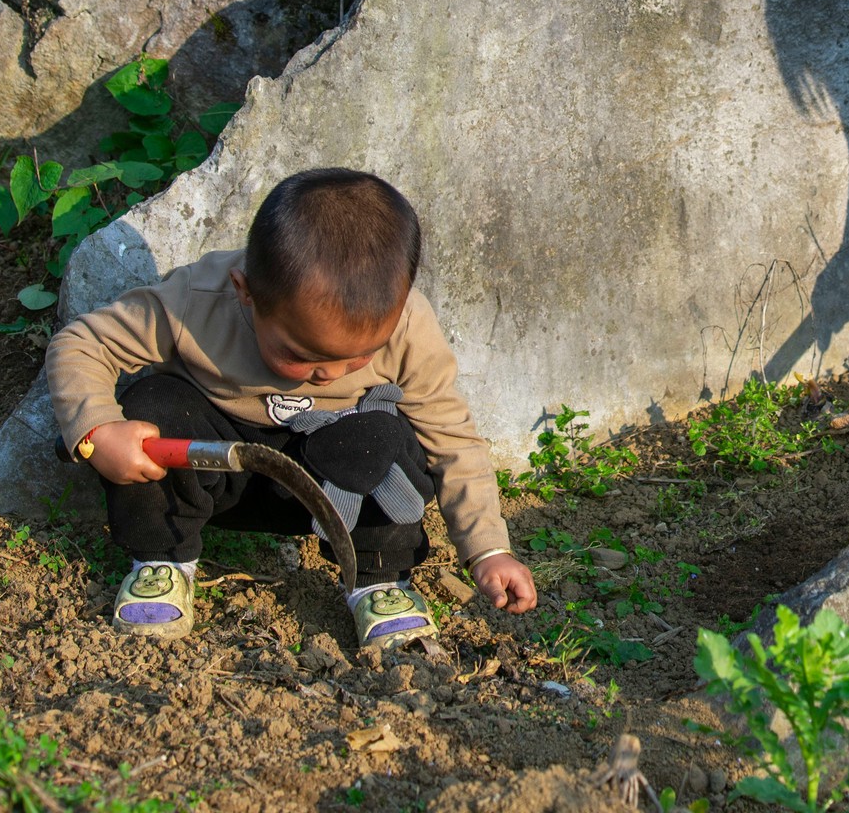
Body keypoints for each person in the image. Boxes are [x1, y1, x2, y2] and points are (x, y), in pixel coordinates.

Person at [47, 167, 537, 646]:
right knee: (153, 404)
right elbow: (82, 344)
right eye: (300, 355)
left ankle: (379, 579)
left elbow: (451, 437)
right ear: (247, 293)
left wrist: (488, 549)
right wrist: (96, 430)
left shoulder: (408, 324)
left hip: (331, 482)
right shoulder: (196, 301)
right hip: (216, 471)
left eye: (358, 356)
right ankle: (162, 557)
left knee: (388, 440)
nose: (329, 373)